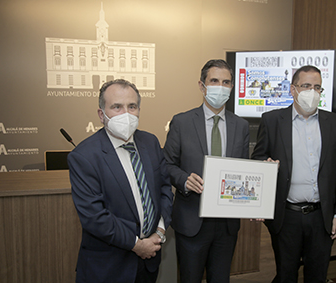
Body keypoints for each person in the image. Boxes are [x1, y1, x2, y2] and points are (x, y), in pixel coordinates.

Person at [251, 65, 336, 283]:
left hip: (322, 217)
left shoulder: (333, 123)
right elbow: (258, 159)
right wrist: (265, 164)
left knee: (317, 275)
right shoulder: (271, 121)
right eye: (306, 86)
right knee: (286, 274)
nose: (312, 92)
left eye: (317, 87)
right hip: (286, 216)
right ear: (292, 89)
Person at [68, 79, 174, 283]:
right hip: (108, 267)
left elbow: (164, 189)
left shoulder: (150, 142)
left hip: (149, 260)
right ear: (102, 114)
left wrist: (159, 232)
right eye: (117, 107)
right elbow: (94, 216)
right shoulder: (84, 156)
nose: (126, 114)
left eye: (132, 106)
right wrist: (137, 244)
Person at [163, 59, 250, 283]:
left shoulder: (241, 126)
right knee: (190, 278)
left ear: (231, 88)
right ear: (202, 86)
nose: (220, 87)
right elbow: (166, 164)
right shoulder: (181, 122)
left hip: (227, 224)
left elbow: (245, 169)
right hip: (192, 220)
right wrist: (183, 180)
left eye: (226, 82)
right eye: (214, 81)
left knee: (220, 279)